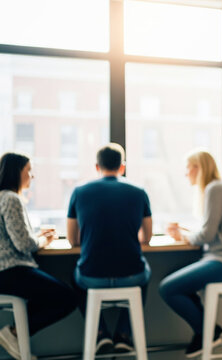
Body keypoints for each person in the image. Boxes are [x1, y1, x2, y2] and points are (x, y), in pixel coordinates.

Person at [159, 150, 222, 358]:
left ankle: (208, 332)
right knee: (180, 287)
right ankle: (206, 332)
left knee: (169, 288)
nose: (186, 174)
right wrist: (186, 233)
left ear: (199, 168)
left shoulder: (215, 189)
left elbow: (207, 235)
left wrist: (182, 235)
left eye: (188, 168)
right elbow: (211, 232)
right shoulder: (218, 188)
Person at [67, 143, 152, 354]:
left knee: (75, 275)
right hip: (131, 276)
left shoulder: (79, 192)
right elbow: (147, 237)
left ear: (97, 167)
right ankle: (124, 333)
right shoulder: (139, 192)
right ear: (122, 167)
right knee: (145, 273)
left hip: (91, 278)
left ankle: (101, 333)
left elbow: (72, 240)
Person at [0, 152, 77, 359]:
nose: (32, 176)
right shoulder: (11, 198)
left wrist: (37, 236)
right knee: (67, 298)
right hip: (11, 270)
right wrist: (44, 240)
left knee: (50, 296)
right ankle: (13, 333)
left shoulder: (3, 198)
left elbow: (12, 238)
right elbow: (24, 244)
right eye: (29, 171)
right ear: (17, 172)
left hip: (5, 271)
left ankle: (16, 334)